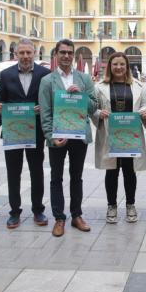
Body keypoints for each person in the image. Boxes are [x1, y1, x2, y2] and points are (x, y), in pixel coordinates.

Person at [39, 39, 98, 236]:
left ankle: (76, 215)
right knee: (56, 177)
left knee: (76, 177)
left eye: (69, 53)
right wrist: (50, 137)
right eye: (62, 52)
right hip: (58, 136)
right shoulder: (47, 81)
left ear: (73, 55)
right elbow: (45, 113)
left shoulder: (84, 79)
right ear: (56, 54)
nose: (66, 56)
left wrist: (81, 95)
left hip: (79, 135)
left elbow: (94, 107)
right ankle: (59, 218)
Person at [0, 38, 50, 229]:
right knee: (13, 173)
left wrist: (42, 108)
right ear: (15, 54)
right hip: (13, 131)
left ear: (34, 53)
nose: (25, 56)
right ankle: (14, 212)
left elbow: (49, 101)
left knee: (37, 172)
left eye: (29, 52)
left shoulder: (45, 74)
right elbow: (2, 100)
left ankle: (38, 210)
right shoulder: (6, 75)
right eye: (22, 53)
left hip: (36, 132)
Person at [93, 52, 146, 224]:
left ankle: (130, 205)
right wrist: (98, 113)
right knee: (111, 171)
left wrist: (145, 112)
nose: (118, 67)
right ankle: (111, 206)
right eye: (115, 64)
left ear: (127, 67)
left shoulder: (138, 86)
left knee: (129, 171)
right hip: (110, 134)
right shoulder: (99, 87)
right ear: (110, 67)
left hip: (130, 136)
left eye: (122, 64)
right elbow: (92, 107)